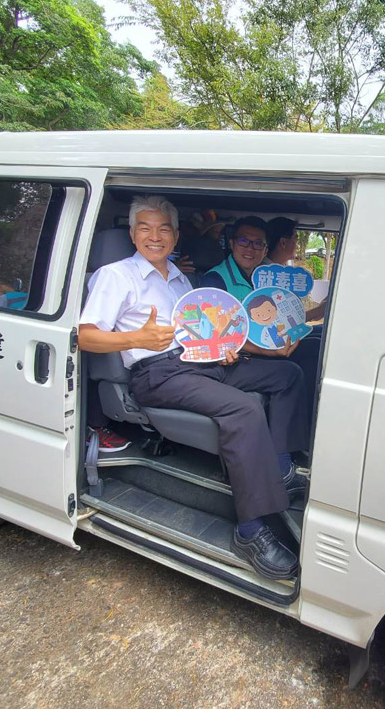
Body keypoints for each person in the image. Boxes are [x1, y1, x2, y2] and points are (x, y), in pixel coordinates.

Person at [78, 195, 308, 581]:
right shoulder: (116, 275)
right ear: (133, 234)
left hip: (200, 361)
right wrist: (138, 337)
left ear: (175, 234)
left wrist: (224, 349)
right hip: (157, 373)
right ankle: (250, 530)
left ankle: (281, 466)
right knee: (243, 409)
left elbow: (198, 332)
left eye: (163, 228)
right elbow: (85, 337)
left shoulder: (180, 277)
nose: (155, 236)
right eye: (145, 228)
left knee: (288, 374)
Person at [200, 216, 269, 300]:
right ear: (232, 244)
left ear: (265, 252)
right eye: (243, 241)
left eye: (258, 244)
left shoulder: (268, 280)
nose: (250, 248)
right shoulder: (214, 280)